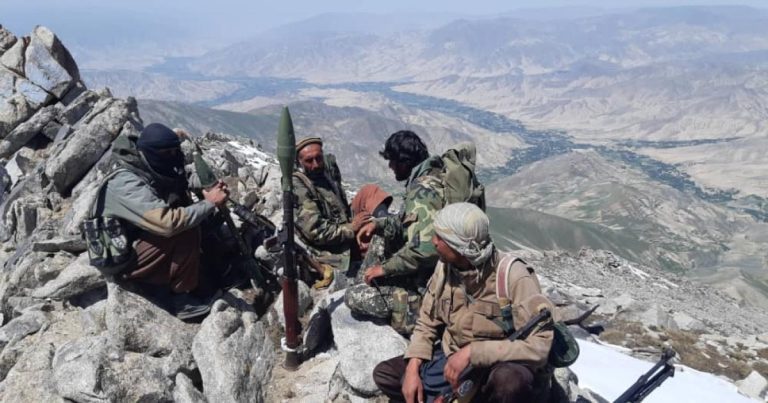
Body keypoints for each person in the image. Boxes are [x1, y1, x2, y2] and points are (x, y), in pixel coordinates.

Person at [372, 203, 555, 403]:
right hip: (452, 361)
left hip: (496, 367)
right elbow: (427, 323)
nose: (434, 242)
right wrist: (413, 367)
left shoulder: (513, 276)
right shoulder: (444, 268)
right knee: (387, 375)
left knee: (509, 383)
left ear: (460, 247)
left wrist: (474, 352)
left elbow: (539, 346)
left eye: (440, 238)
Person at [97, 123, 228, 319]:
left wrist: (206, 184)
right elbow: (167, 224)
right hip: (120, 259)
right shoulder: (125, 182)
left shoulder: (146, 163)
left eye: (175, 151)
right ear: (151, 152)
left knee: (190, 216)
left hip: (138, 240)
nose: (172, 156)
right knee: (184, 227)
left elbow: (176, 178)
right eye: (167, 152)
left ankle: (195, 272)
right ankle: (177, 297)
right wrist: (210, 203)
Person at [345, 130, 444, 333]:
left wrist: (385, 269)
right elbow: (406, 222)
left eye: (392, 161)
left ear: (405, 161)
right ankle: (367, 283)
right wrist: (379, 225)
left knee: (352, 298)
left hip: (431, 290)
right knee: (381, 235)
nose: (390, 166)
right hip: (433, 274)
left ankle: (412, 311)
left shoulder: (423, 191)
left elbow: (426, 250)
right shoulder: (434, 175)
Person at [293, 136, 391, 288]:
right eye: (309, 161)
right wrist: (352, 228)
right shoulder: (298, 185)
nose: (316, 164)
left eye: (319, 158)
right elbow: (317, 232)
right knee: (371, 243)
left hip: (343, 221)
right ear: (299, 162)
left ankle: (389, 226)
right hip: (329, 245)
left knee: (370, 191)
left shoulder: (327, 168)